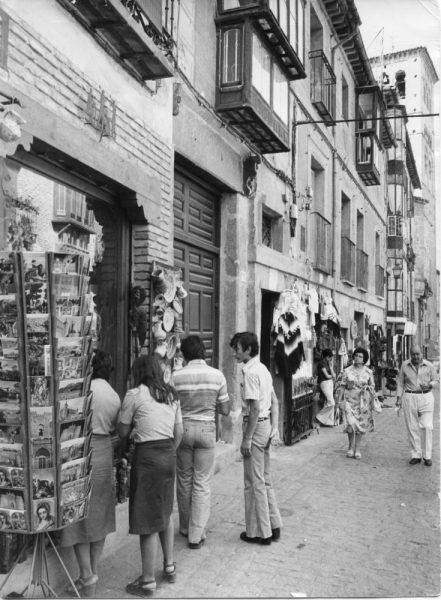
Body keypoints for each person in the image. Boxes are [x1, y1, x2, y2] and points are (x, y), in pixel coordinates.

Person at [118, 355, 183, 597]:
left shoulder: (134, 395)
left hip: (147, 458)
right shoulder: (171, 394)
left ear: (138, 372)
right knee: (164, 511)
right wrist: (167, 454)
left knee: (146, 521)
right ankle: (169, 566)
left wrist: (133, 424)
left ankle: (147, 581)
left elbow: (122, 431)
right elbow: (179, 432)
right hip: (168, 455)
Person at [60, 349, 121, 596]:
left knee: (77, 515)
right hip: (105, 450)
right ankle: (92, 571)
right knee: (99, 514)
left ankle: (86, 575)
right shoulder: (114, 396)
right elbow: (118, 427)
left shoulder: (81, 390)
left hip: (80, 450)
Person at [172, 335, 230, 549]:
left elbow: (171, 405)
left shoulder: (176, 376)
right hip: (206, 429)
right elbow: (224, 409)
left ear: (184, 354)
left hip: (183, 429)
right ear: (203, 352)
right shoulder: (217, 376)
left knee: (185, 479)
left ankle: (185, 527)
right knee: (202, 482)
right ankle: (196, 534)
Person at [230, 331, 282, 546]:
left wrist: (247, 439)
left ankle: (261, 532)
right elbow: (274, 402)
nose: (235, 352)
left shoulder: (250, 372)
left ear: (248, 349)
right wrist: (274, 428)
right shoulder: (263, 369)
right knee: (264, 478)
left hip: (255, 425)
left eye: (237, 348)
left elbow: (254, 409)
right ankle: (274, 524)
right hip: (265, 426)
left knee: (254, 482)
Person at [396, 345, 438, 466]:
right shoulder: (404, 365)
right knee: (412, 426)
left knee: (427, 426)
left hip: (426, 397)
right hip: (410, 396)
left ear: (421, 354)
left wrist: (430, 385)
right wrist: (398, 398)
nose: (415, 356)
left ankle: (427, 455)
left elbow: (437, 380)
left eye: (417, 354)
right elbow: (400, 382)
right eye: (413, 354)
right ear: (410, 354)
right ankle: (416, 454)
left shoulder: (429, 365)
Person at [336, 347, 375, 459]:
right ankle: (350, 446)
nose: (357, 358)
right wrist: (339, 401)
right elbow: (342, 386)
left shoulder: (368, 372)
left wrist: (367, 388)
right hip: (349, 402)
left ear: (364, 359)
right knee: (350, 425)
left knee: (360, 426)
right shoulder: (347, 371)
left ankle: (357, 448)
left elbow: (372, 386)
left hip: (363, 403)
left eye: (360, 356)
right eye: (356, 355)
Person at [315, 349, 336, 427]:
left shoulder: (328, 364)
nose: (330, 359)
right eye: (329, 357)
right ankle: (319, 417)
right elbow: (327, 376)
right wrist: (333, 376)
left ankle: (329, 422)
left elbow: (333, 374)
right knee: (331, 402)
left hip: (330, 383)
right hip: (324, 383)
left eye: (330, 357)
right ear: (325, 356)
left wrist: (331, 367)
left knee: (328, 402)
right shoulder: (321, 364)